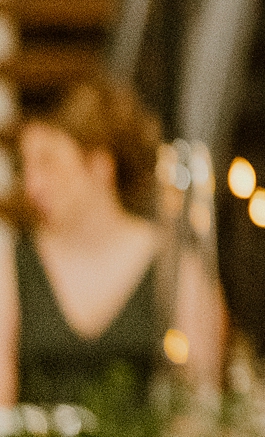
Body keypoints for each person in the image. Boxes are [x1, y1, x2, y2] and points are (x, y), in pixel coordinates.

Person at [0, 77, 222, 406]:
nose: (32, 185)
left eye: (47, 163)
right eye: (26, 167)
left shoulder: (174, 264)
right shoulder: (11, 261)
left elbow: (200, 402)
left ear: (99, 165)